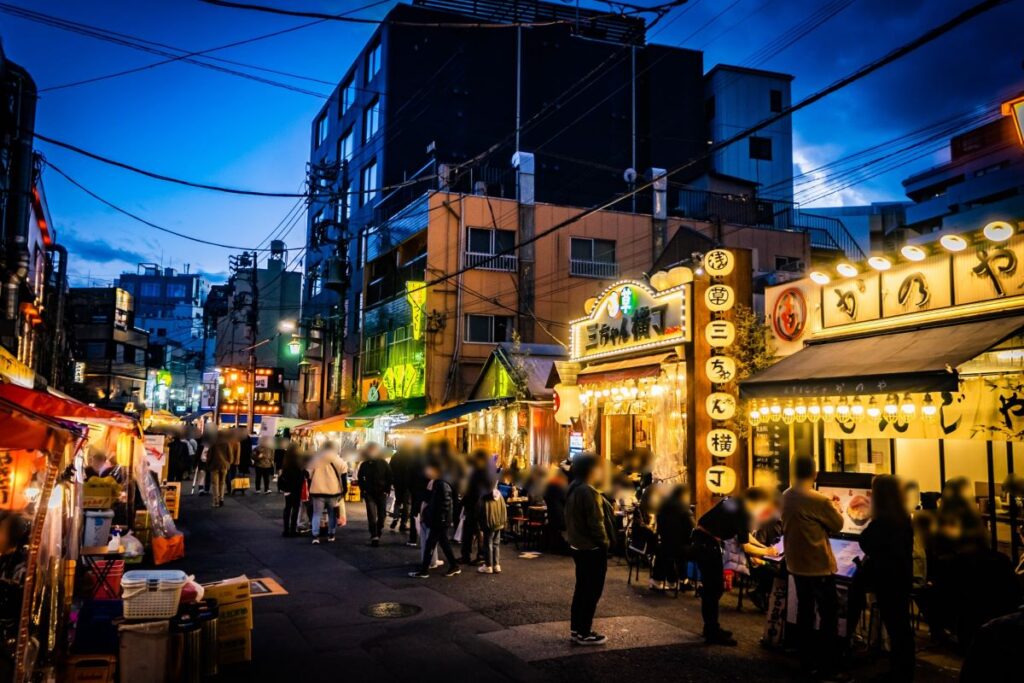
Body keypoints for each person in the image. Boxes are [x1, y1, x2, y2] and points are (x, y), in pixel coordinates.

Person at [781, 455, 844, 678]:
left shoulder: (786, 495)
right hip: (818, 565)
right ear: (814, 473)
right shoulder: (818, 500)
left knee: (805, 612)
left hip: (796, 564)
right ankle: (828, 666)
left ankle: (806, 661)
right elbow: (838, 524)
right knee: (828, 615)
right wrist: (834, 506)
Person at [692, 487, 778, 645]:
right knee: (714, 588)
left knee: (713, 588)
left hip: (703, 539)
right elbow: (745, 546)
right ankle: (712, 632)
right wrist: (768, 551)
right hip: (707, 543)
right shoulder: (743, 511)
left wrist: (764, 547)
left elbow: (745, 535)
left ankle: (711, 627)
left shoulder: (734, 502)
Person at [858, 474, 915, 681]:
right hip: (901, 576)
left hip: (887, 578)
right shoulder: (902, 516)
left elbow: (866, 542)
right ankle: (904, 669)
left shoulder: (883, 521)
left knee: (896, 625)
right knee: (901, 625)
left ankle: (900, 671)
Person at [565, 452, 614, 646]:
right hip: (592, 549)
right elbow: (597, 524)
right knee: (592, 591)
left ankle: (577, 629)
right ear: (591, 470)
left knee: (581, 589)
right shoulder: (588, 492)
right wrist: (605, 544)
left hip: (578, 546)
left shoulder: (573, 488)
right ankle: (585, 631)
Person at [408, 456, 460, 578]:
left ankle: (424, 570)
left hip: (439, 520)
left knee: (430, 544)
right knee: (443, 543)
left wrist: (440, 519)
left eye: (429, 470)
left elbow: (445, 503)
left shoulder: (441, 484)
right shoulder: (437, 483)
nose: (427, 472)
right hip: (439, 520)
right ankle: (454, 565)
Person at [652, 485, 695, 592]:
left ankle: (670, 581)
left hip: (665, 544)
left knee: (667, 553)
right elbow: (692, 529)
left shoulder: (662, 507)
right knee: (689, 551)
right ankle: (684, 580)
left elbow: (659, 527)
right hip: (680, 547)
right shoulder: (685, 509)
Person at [306, 442, 348, 544]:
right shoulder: (339, 460)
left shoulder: (315, 459)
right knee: (332, 514)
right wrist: (344, 491)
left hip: (317, 491)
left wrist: (311, 486)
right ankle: (331, 535)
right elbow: (344, 477)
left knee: (316, 514)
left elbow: (307, 474)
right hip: (333, 492)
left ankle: (315, 536)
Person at [357, 443, 393, 546]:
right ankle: (374, 535)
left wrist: (387, 489)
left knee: (382, 515)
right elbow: (360, 478)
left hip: (381, 492)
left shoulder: (383, 463)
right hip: (369, 493)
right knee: (372, 515)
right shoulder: (365, 464)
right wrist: (363, 490)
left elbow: (389, 476)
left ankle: (378, 529)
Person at [460, 450, 490, 565]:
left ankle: (474, 555)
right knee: (475, 530)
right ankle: (474, 555)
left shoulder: (478, 472)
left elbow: (472, 489)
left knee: (474, 530)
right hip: (477, 505)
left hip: (474, 505)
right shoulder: (483, 472)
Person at [477, 483, 507, 574]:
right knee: (496, 544)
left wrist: (479, 523)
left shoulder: (483, 496)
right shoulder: (499, 495)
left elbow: (478, 510)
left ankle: (488, 565)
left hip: (488, 524)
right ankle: (496, 565)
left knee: (488, 544)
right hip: (498, 523)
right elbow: (504, 509)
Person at [277, 446, 306, 537]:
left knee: (287, 508)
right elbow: (301, 474)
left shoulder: (286, 460)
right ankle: (293, 530)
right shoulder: (299, 461)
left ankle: (286, 530)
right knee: (295, 508)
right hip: (296, 488)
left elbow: (283, 473)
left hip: (287, 488)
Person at [388, 445, 415, 535]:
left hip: (397, 483)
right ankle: (403, 523)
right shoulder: (411, 457)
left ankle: (395, 518)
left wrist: (392, 480)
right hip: (407, 484)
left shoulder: (395, 456)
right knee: (407, 503)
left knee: (398, 501)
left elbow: (390, 469)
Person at [208, 430, 235, 508]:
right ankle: (221, 499)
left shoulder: (213, 443)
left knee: (214, 484)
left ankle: (215, 501)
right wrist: (228, 463)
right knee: (222, 483)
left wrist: (208, 464)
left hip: (214, 465)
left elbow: (209, 456)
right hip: (224, 466)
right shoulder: (227, 443)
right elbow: (230, 455)